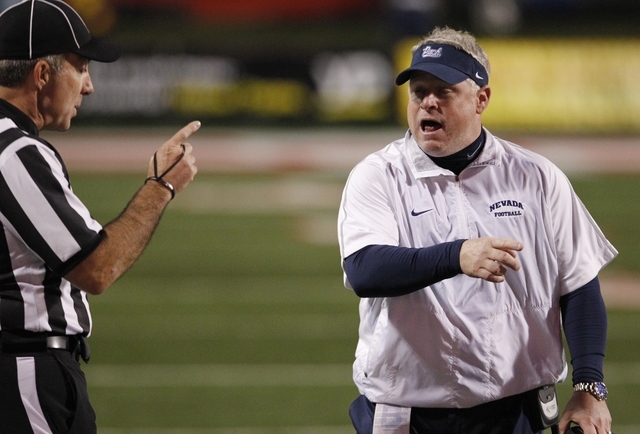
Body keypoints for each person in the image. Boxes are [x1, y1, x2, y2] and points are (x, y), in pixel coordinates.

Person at [338, 26, 616, 434]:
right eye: (418, 91)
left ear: (481, 98)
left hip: (516, 414)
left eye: (444, 90)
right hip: (407, 416)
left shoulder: (537, 177)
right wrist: (457, 255)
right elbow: (365, 269)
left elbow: (579, 284)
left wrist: (590, 386)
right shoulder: (378, 176)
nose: (427, 102)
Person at [0, 1, 199, 433]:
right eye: (82, 67)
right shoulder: (15, 153)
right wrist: (160, 187)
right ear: (42, 74)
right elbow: (97, 267)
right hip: (26, 374)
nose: (88, 86)